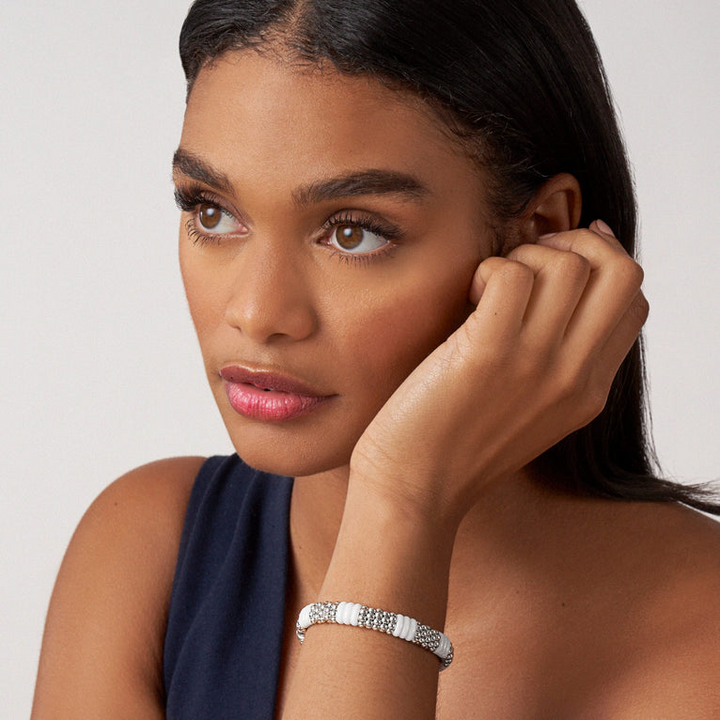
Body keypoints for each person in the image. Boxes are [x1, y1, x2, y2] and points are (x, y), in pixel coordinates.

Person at [32, 0, 720, 717]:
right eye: (212, 211)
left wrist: (402, 497)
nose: (257, 313)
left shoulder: (705, 637)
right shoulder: (149, 553)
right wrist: (401, 512)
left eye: (354, 232)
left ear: (540, 235)